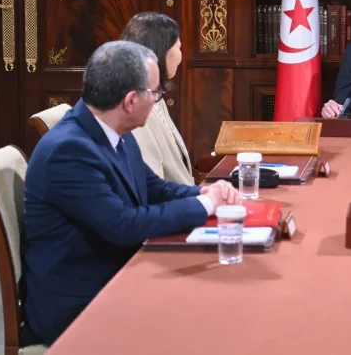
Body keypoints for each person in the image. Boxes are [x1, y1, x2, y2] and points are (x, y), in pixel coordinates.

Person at [19, 41, 238, 346]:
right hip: (79, 303)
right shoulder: (68, 152)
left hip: (116, 272)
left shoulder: (112, 128)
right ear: (131, 100)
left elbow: (154, 188)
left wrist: (202, 191)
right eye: (155, 93)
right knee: (206, 313)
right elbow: (123, 225)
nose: (158, 100)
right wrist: (204, 205)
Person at [120, 12, 194, 185]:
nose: (180, 56)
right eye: (179, 48)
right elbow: (150, 184)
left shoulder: (154, 95)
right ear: (162, 52)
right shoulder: (136, 104)